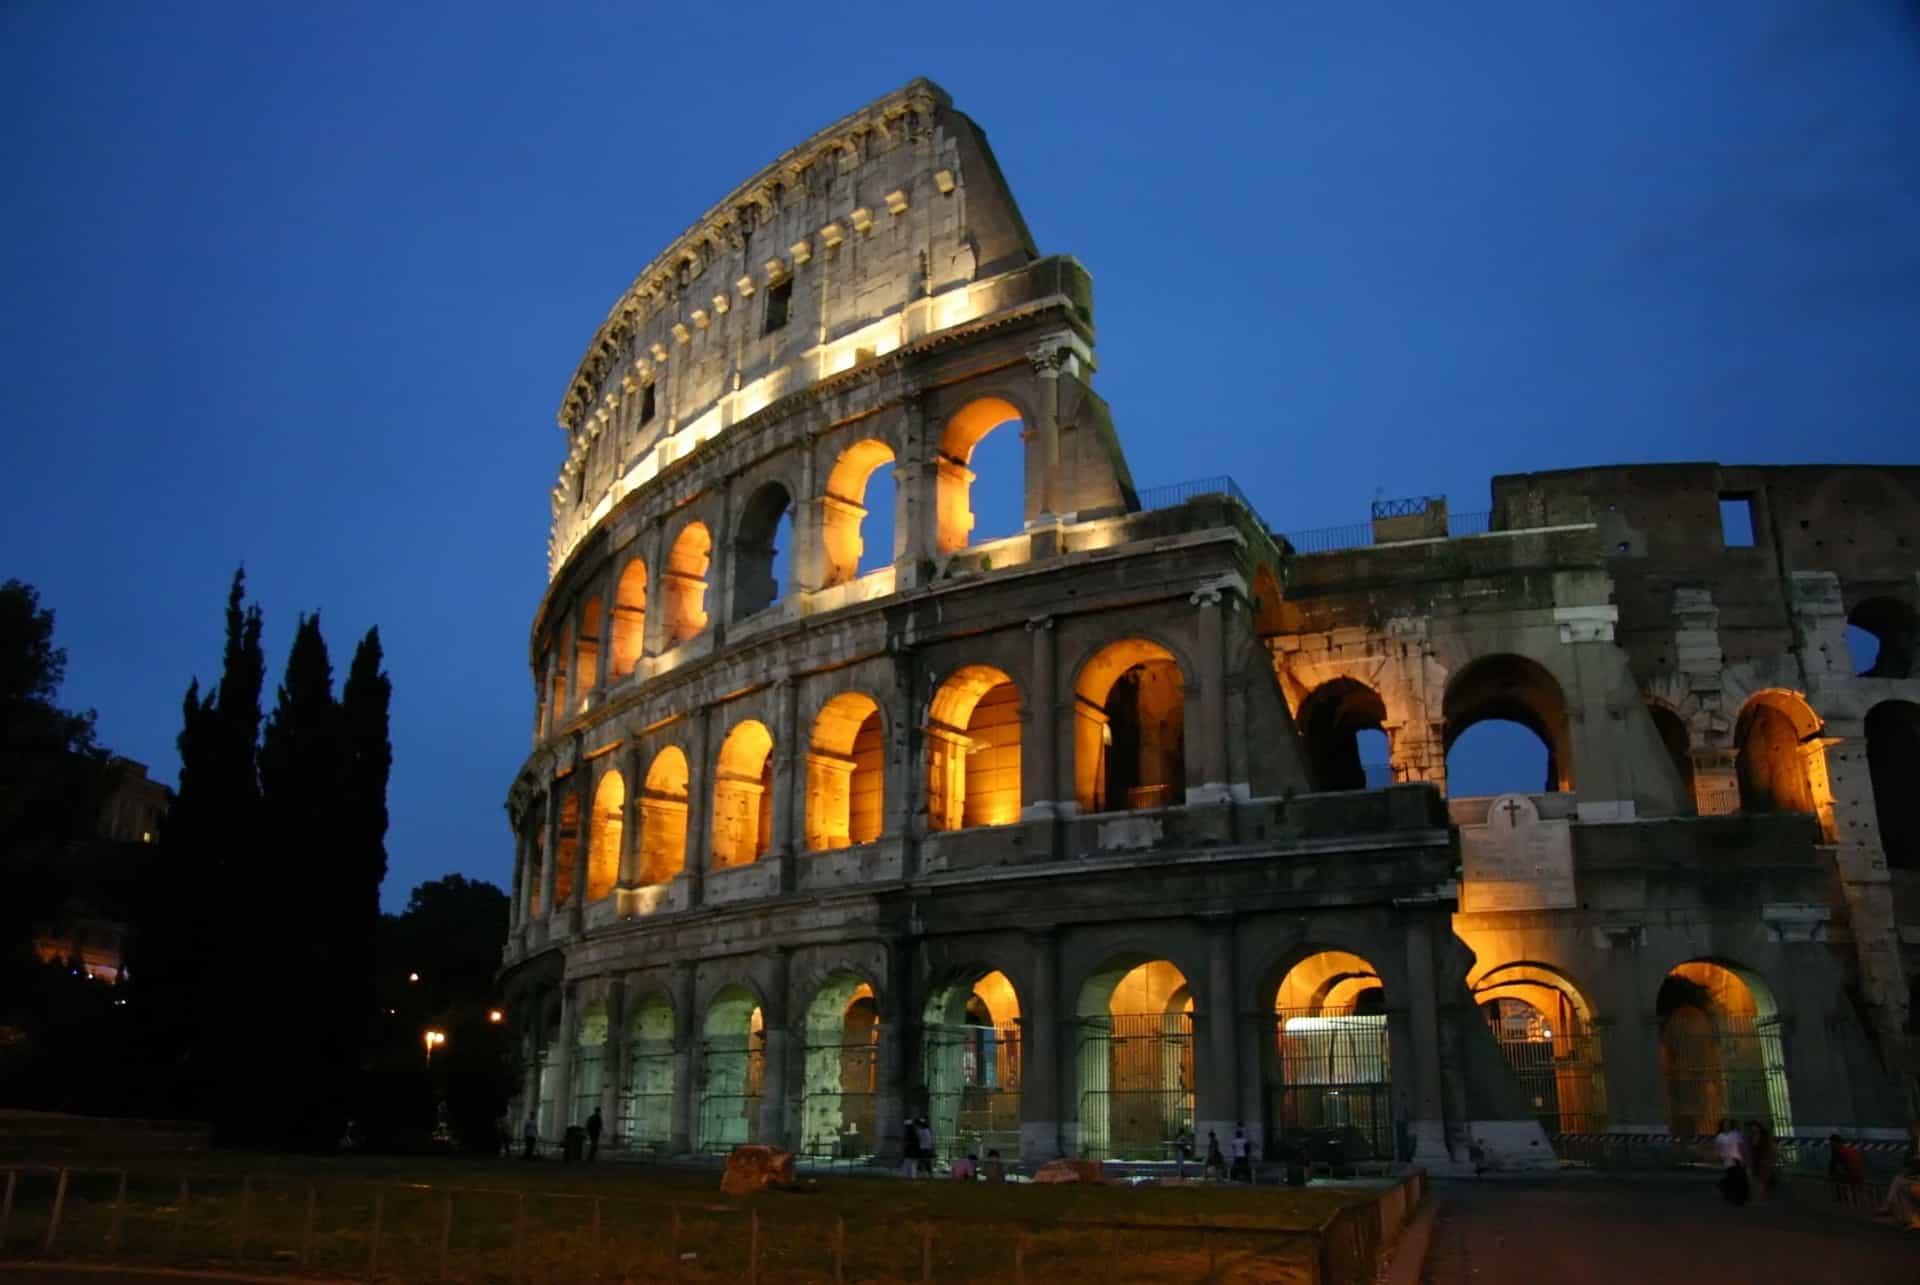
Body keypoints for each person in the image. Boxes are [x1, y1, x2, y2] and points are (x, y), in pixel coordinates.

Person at [1714, 1118, 1749, 1205]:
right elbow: (1718, 1148)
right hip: (1727, 1159)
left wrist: (1744, 1158)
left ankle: (1740, 1198)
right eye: (1725, 1124)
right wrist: (1719, 1157)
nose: (1727, 1126)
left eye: (1728, 1124)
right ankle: (1731, 1195)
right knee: (1732, 1178)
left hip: (1737, 1158)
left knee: (1740, 1178)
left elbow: (1741, 1146)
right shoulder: (1720, 1136)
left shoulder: (1736, 1134)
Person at [1829, 1133, 1868, 1205]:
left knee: (1838, 1178)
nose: (1830, 1144)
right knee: (1845, 1178)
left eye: (1831, 1143)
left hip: (1854, 1174)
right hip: (1860, 1174)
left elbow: (1833, 1164)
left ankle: (1843, 1198)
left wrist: (1831, 1175)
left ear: (1835, 1142)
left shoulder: (1838, 1150)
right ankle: (1851, 1196)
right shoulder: (1846, 1149)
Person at [1744, 1120, 1776, 1201]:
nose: (1754, 1129)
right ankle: (1760, 1196)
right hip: (1755, 1160)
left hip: (1763, 1160)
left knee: (1761, 1179)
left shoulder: (1765, 1136)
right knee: (1756, 1178)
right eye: (1752, 1127)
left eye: (1755, 1127)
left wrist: (1769, 1159)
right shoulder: (1751, 1137)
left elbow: (1769, 1148)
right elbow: (1749, 1149)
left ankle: (1761, 1196)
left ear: (1759, 1127)